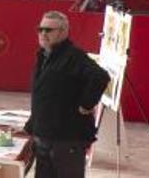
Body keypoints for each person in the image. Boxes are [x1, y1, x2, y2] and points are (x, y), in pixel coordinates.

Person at [24, 11, 110, 178]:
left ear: (63, 32)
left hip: (66, 140)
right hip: (44, 138)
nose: (43, 33)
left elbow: (100, 76)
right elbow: (44, 96)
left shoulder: (73, 56)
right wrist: (32, 125)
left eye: (48, 30)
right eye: (40, 29)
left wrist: (86, 105)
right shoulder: (44, 55)